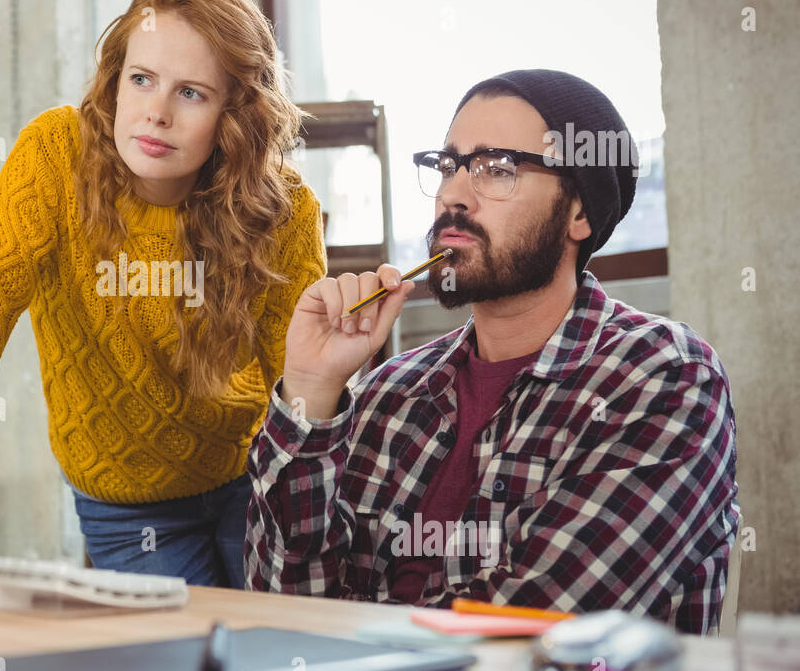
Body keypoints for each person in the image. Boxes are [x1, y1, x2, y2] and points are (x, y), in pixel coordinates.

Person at [246, 68, 740, 633]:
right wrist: (310, 388)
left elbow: (531, 623)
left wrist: (344, 633)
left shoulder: (664, 379)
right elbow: (278, 606)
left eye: (497, 169)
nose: (453, 194)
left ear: (579, 212)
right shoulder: (385, 393)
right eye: (448, 166)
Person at [0, 0, 327, 587]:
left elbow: (300, 383)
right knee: (185, 669)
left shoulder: (281, 205)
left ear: (235, 114)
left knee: (271, 651)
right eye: (142, 79)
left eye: (192, 93)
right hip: (127, 504)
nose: (155, 113)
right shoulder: (55, 158)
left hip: (250, 478)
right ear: (115, 81)